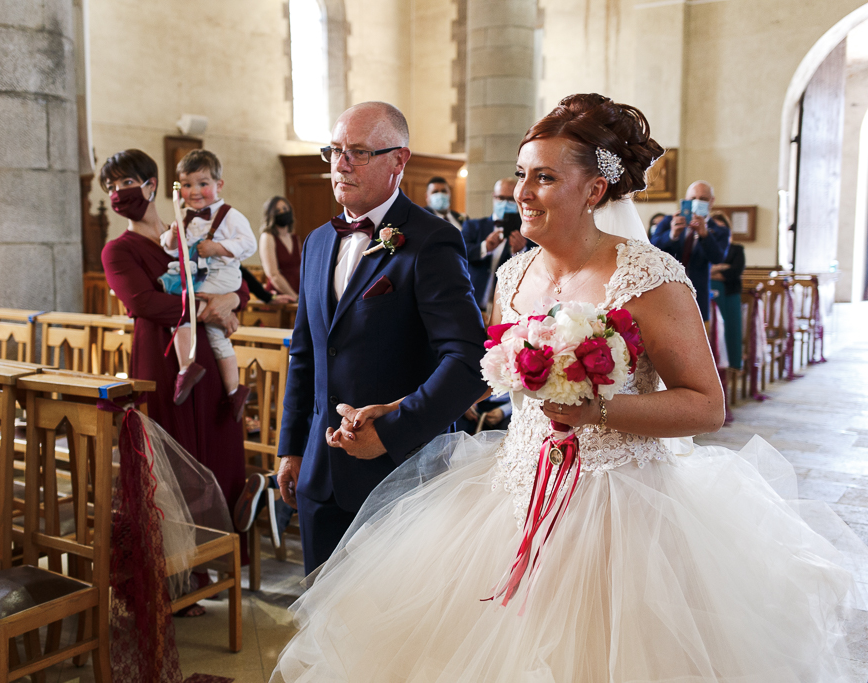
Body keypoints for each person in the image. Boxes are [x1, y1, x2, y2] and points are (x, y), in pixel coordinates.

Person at [270, 94, 865, 682]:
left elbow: (707, 408)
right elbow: (490, 375)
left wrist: (597, 409)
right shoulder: (514, 275)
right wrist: (394, 410)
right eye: (521, 175)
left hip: (617, 506)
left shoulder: (647, 278)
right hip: (510, 493)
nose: (523, 194)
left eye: (545, 177)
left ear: (595, 190)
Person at [275, 101, 488, 574]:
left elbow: (469, 359)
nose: (342, 163)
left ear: (399, 161)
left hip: (400, 476)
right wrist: (291, 447)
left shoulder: (431, 240)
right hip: (320, 473)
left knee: (394, 637)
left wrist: (389, 434)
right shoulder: (317, 242)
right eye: (334, 151)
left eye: (358, 152)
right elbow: (306, 354)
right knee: (322, 632)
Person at [99, 149, 252, 597]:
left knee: (217, 453)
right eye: (109, 188)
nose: (116, 194)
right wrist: (210, 307)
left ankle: (218, 562)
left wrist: (234, 300)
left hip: (207, 351)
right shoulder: (118, 250)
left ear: (150, 185)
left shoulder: (189, 228)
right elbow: (142, 303)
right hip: (162, 362)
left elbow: (236, 275)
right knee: (172, 463)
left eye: (124, 183)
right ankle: (178, 577)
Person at [158, 150, 256, 416]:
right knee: (215, 337)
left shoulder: (230, 215)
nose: (195, 191)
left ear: (218, 185)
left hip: (222, 275)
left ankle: (188, 367)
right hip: (200, 275)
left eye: (203, 183)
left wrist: (218, 248)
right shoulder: (185, 217)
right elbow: (171, 250)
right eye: (188, 185)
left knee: (185, 309)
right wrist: (171, 236)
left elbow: (249, 244)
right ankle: (234, 391)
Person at [650, 181, 730, 322]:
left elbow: (718, 257)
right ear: (686, 200)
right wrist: (672, 235)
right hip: (666, 290)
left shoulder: (719, 230)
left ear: (711, 202)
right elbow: (651, 248)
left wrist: (705, 235)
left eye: (703, 199)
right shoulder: (669, 221)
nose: (697, 202)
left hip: (698, 293)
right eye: (693, 198)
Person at [461, 177, 534, 309]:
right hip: (472, 303)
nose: (505, 203)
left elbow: (535, 270)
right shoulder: (473, 226)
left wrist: (521, 251)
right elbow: (459, 255)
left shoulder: (528, 234)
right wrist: (484, 247)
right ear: (494, 197)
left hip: (507, 307)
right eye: (500, 198)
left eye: (510, 199)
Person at [710, 213, 745, 371]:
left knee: (731, 329)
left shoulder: (736, 249)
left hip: (729, 293)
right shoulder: (706, 247)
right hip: (707, 294)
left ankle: (732, 365)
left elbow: (734, 272)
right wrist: (720, 268)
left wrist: (711, 272)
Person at [258, 196, 301, 299]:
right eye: (278, 211)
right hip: (279, 294)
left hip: (298, 290)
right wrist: (293, 296)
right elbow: (273, 274)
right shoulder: (268, 237)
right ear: (271, 215)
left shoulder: (294, 237)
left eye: (285, 209)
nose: (283, 212)